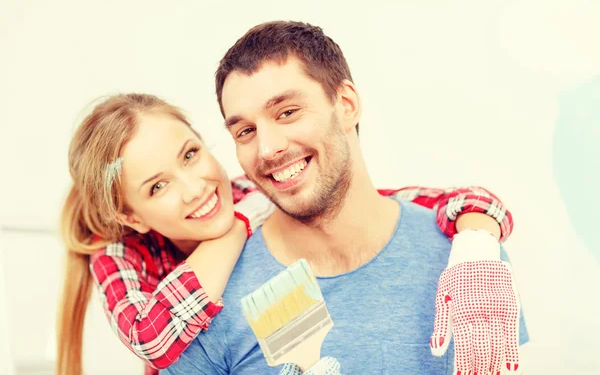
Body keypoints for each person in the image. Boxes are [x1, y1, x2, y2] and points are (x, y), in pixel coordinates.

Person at [164, 21, 528, 375]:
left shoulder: (467, 263)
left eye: (287, 112)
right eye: (245, 131)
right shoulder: (213, 298)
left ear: (346, 104)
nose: (268, 148)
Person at [57, 93, 514, 375]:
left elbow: (415, 200)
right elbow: (152, 338)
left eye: (191, 154)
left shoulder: (250, 195)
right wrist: (234, 229)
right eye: (157, 186)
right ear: (132, 216)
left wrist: (476, 242)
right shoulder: (118, 252)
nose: (194, 188)